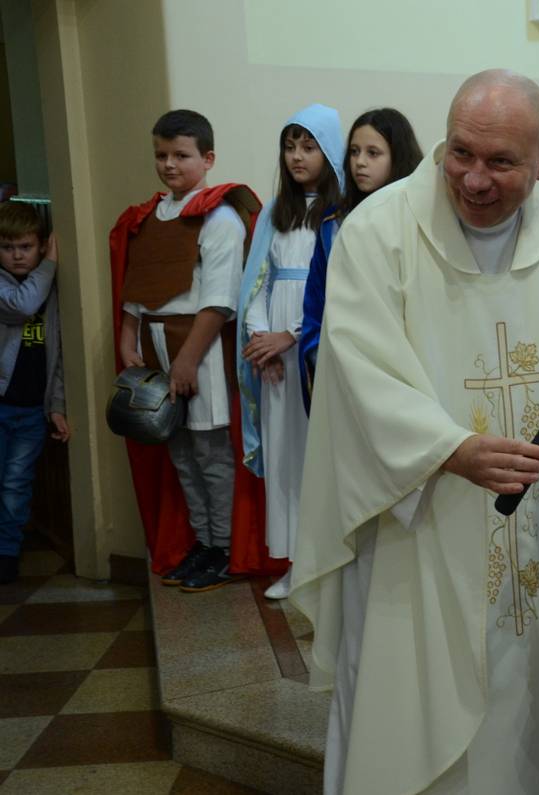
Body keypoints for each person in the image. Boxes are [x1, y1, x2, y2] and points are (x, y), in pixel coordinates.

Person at [286, 70, 539, 795]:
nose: (473, 178)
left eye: (501, 162)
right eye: (460, 152)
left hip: (532, 523)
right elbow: (357, 367)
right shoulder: (379, 230)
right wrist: (450, 448)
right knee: (404, 704)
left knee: (514, 706)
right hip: (413, 516)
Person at [110, 109, 272, 591]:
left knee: (210, 454)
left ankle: (224, 547)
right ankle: (203, 541)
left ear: (208, 159)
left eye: (181, 155)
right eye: (161, 155)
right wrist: (128, 336)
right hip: (155, 346)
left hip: (200, 348)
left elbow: (220, 300)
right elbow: (139, 286)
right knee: (179, 450)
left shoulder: (219, 218)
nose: (169, 165)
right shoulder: (148, 217)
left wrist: (187, 360)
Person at [237, 104, 343, 600]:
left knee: (316, 457)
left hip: (313, 350)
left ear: (330, 152)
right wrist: (262, 341)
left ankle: (327, 564)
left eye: (309, 146)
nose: (297, 156)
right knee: (284, 460)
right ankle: (295, 563)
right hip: (275, 362)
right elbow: (257, 283)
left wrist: (292, 337)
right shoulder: (275, 214)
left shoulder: (339, 215)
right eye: (290, 146)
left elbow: (334, 289)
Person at [298, 107, 423, 408]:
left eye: (373, 153)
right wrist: (319, 351)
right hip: (345, 360)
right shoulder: (333, 224)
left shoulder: (418, 221)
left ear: (398, 157)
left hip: (402, 359)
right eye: (354, 152)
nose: (360, 162)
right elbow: (317, 299)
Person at [0, 203, 67, 584]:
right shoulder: (10, 285)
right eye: (7, 247)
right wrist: (49, 263)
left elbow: (58, 355)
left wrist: (56, 405)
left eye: (25, 246)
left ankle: (7, 553)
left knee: (16, 483)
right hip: (1, 404)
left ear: (41, 244)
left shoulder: (52, 289)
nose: (17, 255)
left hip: (31, 410)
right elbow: (22, 305)